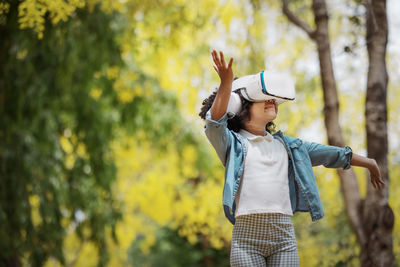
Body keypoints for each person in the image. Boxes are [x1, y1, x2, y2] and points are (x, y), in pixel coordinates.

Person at [198, 50, 384, 267]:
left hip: (283, 238)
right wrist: (226, 84)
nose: (272, 102)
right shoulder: (233, 145)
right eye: (265, 99)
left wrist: (369, 163)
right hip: (246, 240)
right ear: (240, 108)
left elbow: (331, 155)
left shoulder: (289, 147)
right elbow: (214, 124)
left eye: (274, 100)